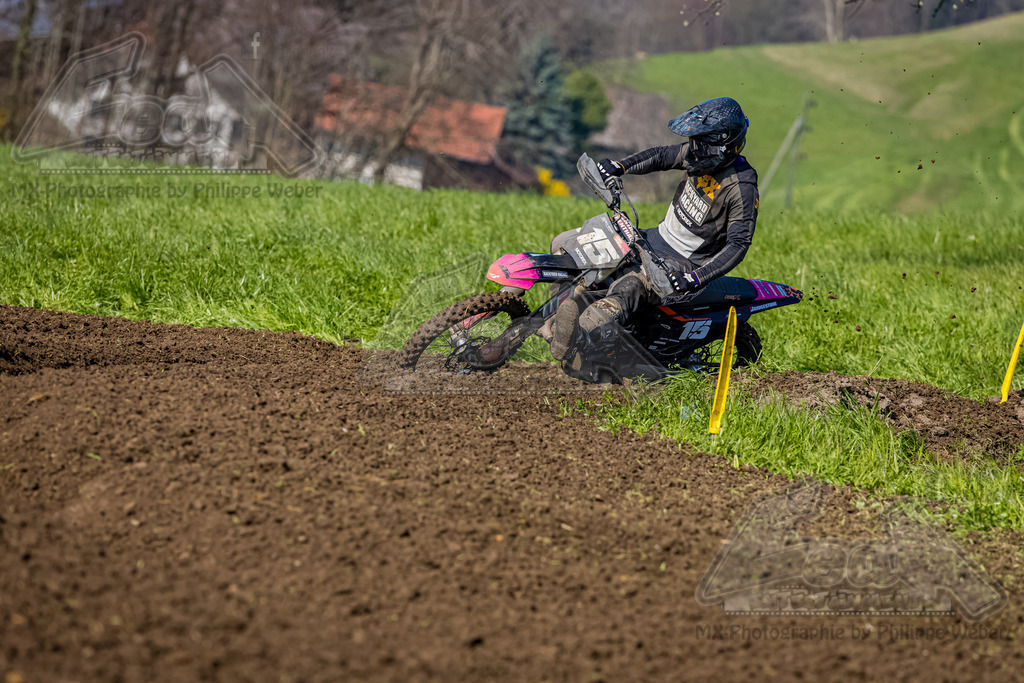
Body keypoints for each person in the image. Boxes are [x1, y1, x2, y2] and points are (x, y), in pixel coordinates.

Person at [546, 96, 759, 370]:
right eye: (693, 141)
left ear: (724, 147)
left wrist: (695, 278)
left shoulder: (741, 186)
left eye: (700, 144)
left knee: (626, 290)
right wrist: (620, 166)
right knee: (567, 245)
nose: (692, 150)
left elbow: (738, 245)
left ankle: (609, 357)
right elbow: (661, 156)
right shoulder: (700, 154)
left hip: (683, 263)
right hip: (654, 238)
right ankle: (556, 316)